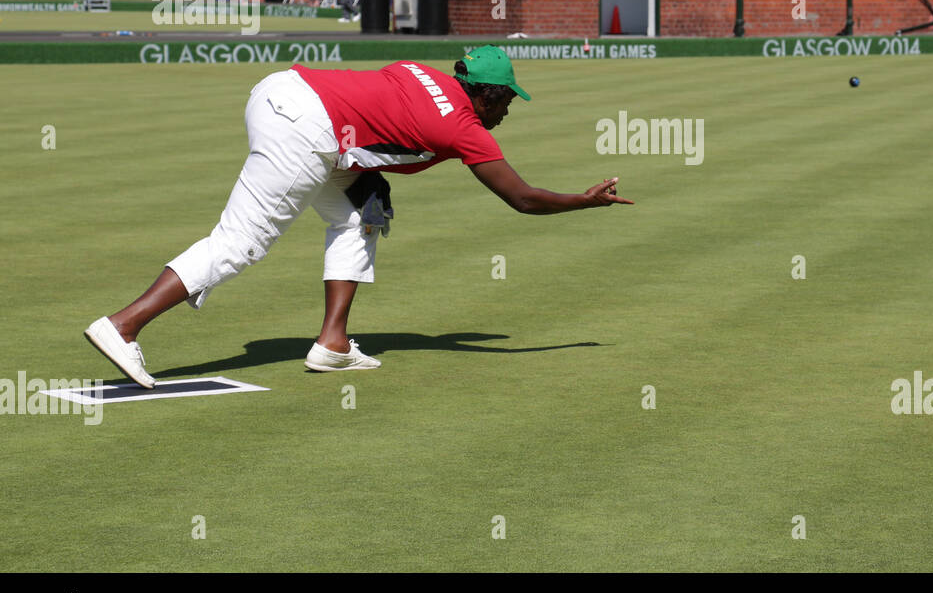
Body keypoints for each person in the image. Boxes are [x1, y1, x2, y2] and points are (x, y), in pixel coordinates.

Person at [83, 46, 632, 387]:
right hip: (306, 129)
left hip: (283, 90)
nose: (509, 108)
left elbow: (378, 118)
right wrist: (586, 201)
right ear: (485, 96)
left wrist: (367, 172)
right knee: (241, 243)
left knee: (362, 215)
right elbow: (522, 198)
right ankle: (123, 325)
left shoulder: (419, 70)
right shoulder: (465, 128)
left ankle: (333, 343)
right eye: (507, 99)